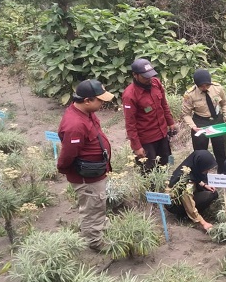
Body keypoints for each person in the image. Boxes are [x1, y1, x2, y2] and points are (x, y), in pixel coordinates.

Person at [57, 79, 115, 250]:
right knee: (92, 208)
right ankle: (94, 242)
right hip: (86, 177)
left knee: (96, 204)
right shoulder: (75, 124)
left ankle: (99, 228)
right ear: (87, 100)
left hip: (95, 172)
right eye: (100, 100)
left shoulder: (87, 113)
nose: (103, 103)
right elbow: (68, 154)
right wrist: (65, 169)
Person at [123, 58, 177, 173]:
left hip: (162, 133)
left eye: (150, 76)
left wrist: (170, 122)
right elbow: (130, 124)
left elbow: (164, 104)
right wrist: (137, 146)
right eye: (145, 77)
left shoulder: (156, 83)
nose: (149, 79)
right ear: (135, 75)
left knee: (165, 165)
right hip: (147, 139)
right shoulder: (130, 95)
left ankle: (165, 188)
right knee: (149, 171)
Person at [182, 69, 226, 174]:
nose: (205, 88)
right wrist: (193, 126)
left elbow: (224, 103)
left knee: (221, 150)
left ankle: (223, 174)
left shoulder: (217, 88)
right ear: (197, 85)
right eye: (202, 86)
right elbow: (186, 114)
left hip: (217, 121)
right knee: (201, 153)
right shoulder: (190, 95)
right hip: (200, 123)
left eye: (207, 85)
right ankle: (201, 177)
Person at [166, 150, 219, 232]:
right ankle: (184, 215)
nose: (207, 171)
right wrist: (203, 222)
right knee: (211, 195)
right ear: (199, 165)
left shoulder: (188, 167)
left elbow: (194, 176)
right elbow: (189, 204)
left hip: (180, 197)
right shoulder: (186, 182)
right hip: (175, 204)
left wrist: (204, 185)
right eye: (206, 169)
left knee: (207, 187)